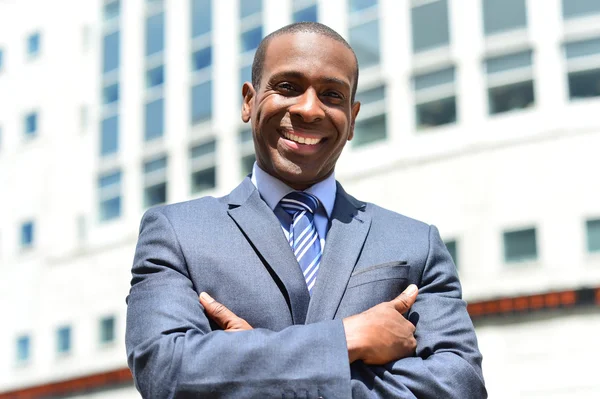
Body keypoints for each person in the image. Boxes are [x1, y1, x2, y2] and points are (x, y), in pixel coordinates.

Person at [125, 22, 486, 398]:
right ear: (249, 101)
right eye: (288, 87)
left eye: (332, 94)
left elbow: (459, 387)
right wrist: (347, 338)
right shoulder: (177, 233)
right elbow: (165, 371)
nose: (310, 109)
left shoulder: (416, 243)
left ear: (353, 118)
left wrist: (256, 369)